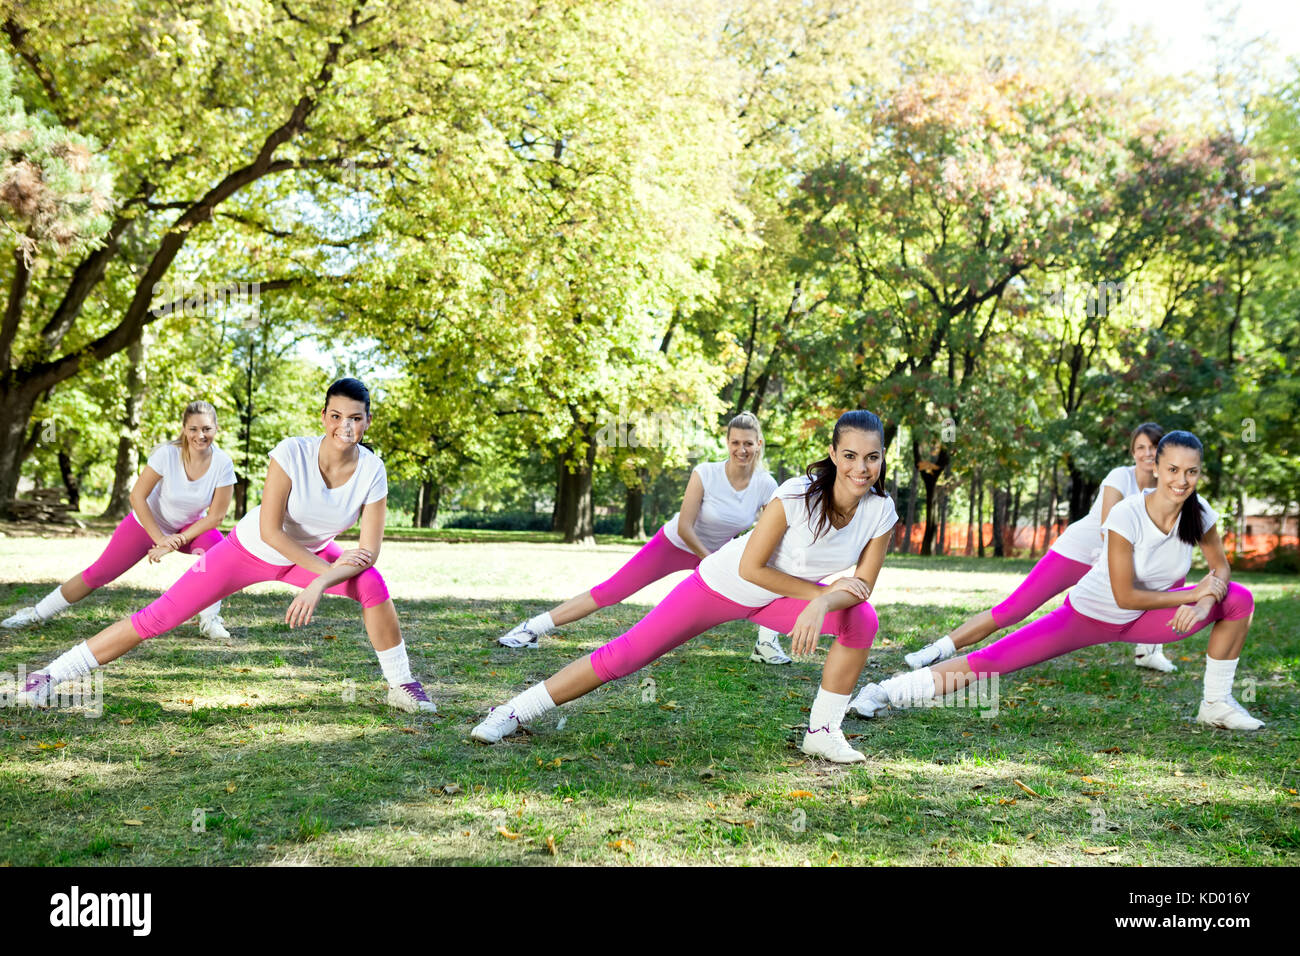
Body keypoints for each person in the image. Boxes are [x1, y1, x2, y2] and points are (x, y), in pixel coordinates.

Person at [473, 410, 900, 763]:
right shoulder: (796, 495)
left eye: (871, 457)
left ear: (882, 458)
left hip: (776, 600)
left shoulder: (881, 511)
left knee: (861, 618)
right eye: (849, 455)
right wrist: (820, 596)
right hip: (720, 585)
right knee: (624, 656)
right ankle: (512, 710)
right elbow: (752, 567)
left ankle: (823, 731)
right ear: (832, 453)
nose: (860, 468)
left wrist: (826, 601)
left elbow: (862, 585)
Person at [17, 379, 436, 714]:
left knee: (372, 583)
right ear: (323, 416)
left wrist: (321, 579)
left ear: (367, 423)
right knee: (156, 618)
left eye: (356, 418)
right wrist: (321, 578)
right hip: (245, 551)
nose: (345, 426)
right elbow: (272, 532)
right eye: (337, 415)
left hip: (305, 559)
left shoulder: (372, 471)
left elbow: (368, 552)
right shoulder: (292, 452)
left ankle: (402, 685)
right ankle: (47, 675)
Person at [851, 431, 1263, 731]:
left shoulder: (1201, 512)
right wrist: (1192, 593)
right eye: (1172, 469)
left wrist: (1206, 602)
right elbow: (1124, 593)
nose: (1181, 480)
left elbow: (1220, 571)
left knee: (1239, 599)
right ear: (1154, 467)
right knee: (992, 661)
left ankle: (1215, 704)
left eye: (1191, 472)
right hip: (1088, 614)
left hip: (1147, 620)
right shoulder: (1127, 514)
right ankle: (885, 691)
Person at [498, 412, 792, 664]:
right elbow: (687, 527)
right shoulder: (705, 473)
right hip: (676, 544)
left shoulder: (765, 483)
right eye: (735, 443)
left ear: (759, 445)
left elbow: (768, 532)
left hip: (718, 555)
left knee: (763, 582)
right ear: (727, 443)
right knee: (611, 591)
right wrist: (710, 560)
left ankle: (766, 644)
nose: (741, 449)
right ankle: (530, 628)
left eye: (748, 444)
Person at [903, 423, 1179, 673]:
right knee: (1013, 609)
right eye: (1140, 447)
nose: (1147, 453)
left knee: (1172, 573)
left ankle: (1149, 651)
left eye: (1154, 447)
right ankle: (936, 650)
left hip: (1111, 564)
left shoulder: (1164, 490)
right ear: (1132, 452)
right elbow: (1108, 528)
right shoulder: (1121, 477)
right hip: (1079, 551)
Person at [3, 401, 235, 640]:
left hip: (188, 528)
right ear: (185, 429)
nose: (200, 435)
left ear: (216, 428)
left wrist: (174, 541)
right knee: (98, 574)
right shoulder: (167, 454)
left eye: (207, 429)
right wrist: (159, 539)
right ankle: (36, 613)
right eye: (194, 429)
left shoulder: (223, 463)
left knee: (217, 551)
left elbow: (216, 516)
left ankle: (210, 620)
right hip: (147, 524)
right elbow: (137, 496)